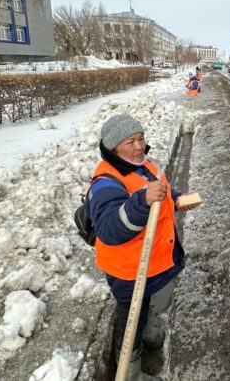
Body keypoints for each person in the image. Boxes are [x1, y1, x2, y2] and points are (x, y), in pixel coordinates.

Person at [86, 114, 198, 380]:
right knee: (129, 319)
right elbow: (110, 229)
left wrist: (176, 199)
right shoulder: (105, 183)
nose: (138, 147)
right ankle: (130, 367)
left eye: (141, 138)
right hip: (127, 269)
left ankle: (145, 326)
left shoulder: (140, 165)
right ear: (114, 148)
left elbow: (156, 192)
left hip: (145, 263)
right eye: (129, 142)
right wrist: (141, 202)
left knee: (143, 304)